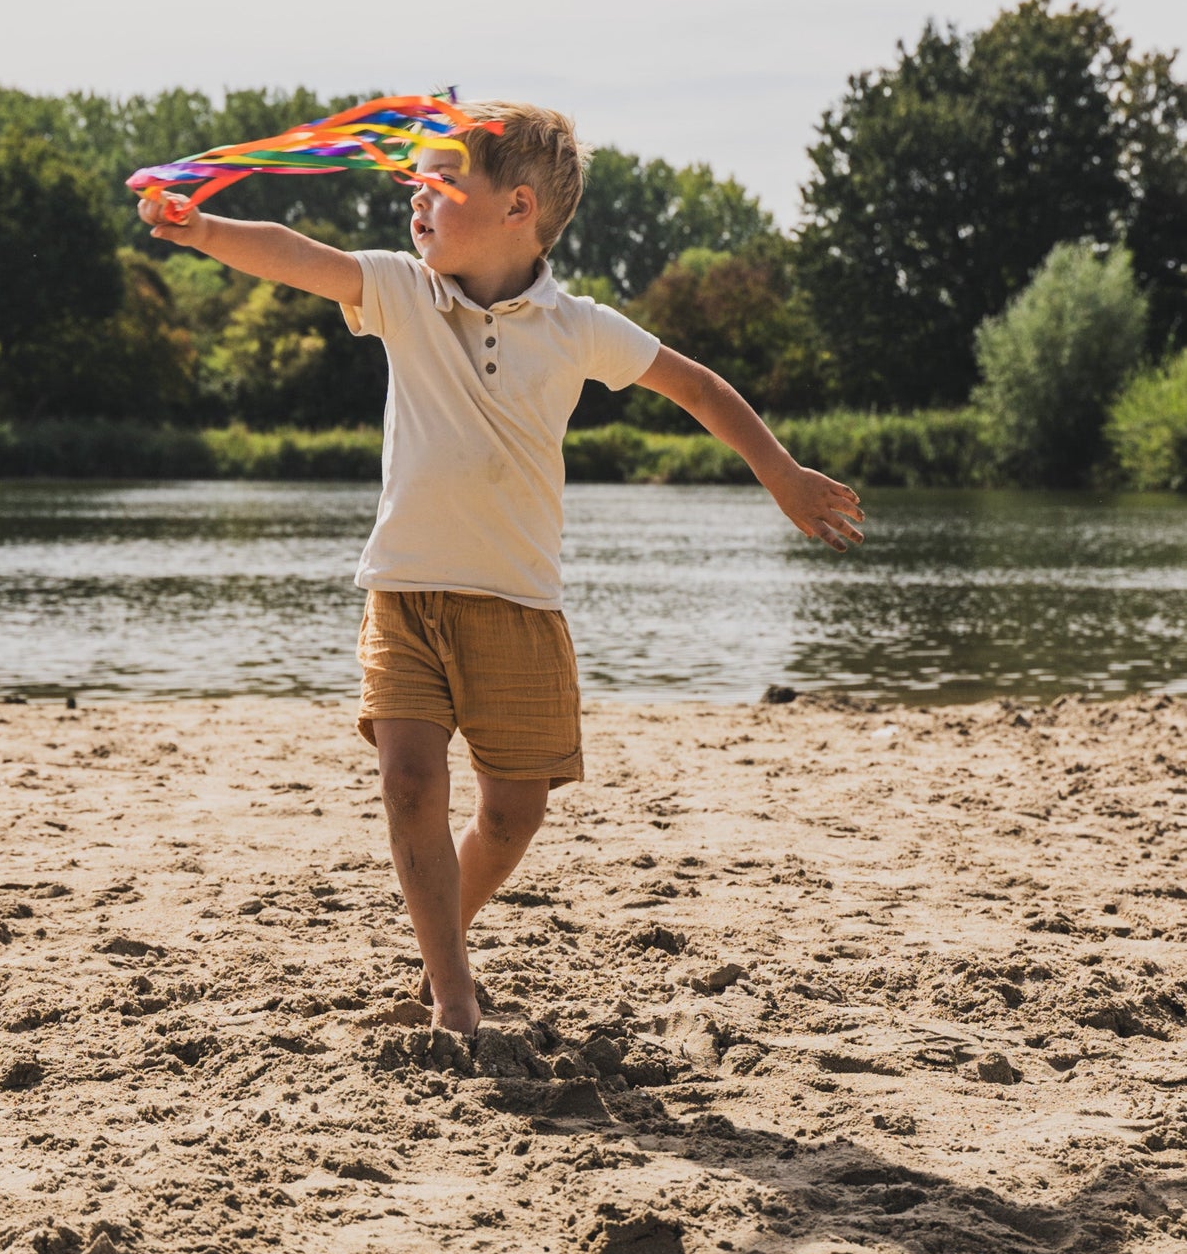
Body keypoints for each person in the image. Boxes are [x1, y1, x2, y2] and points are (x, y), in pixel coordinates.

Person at [139, 103, 863, 1038]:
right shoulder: (402, 290)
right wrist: (198, 229)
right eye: (413, 187)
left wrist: (782, 473)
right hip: (403, 591)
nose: (415, 204)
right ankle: (452, 996)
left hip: (517, 603)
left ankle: (441, 937)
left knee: (514, 815)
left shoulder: (577, 326)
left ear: (518, 206)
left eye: (438, 186)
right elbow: (292, 252)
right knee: (407, 781)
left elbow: (694, 385)